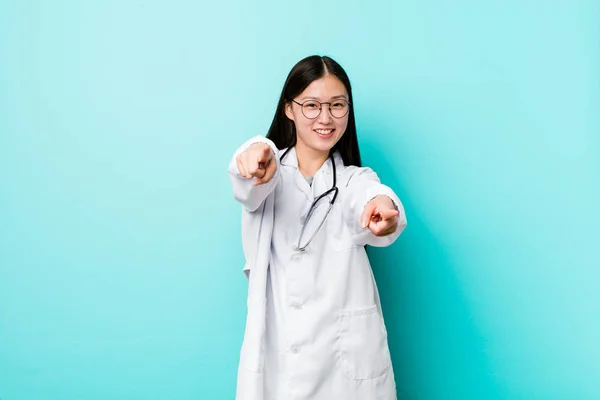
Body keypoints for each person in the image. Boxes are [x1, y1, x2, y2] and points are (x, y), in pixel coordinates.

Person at [228, 55, 407, 400]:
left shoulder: (354, 179)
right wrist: (254, 156)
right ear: (289, 109)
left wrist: (384, 212)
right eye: (311, 105)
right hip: (280, 359)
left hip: (341, 364)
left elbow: (371, 197)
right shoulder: (267, 172)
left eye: (337, 105)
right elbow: (248, 176)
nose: (325, 118)